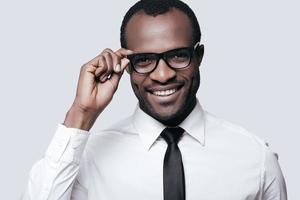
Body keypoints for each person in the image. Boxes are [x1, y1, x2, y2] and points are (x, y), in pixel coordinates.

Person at [23, 0, 287, 199]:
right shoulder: (86, 159)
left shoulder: (255, 158)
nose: (163, 75)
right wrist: (81, 113)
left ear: (199, 57)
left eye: (177, 56)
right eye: (145, 60)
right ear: (127, 66)